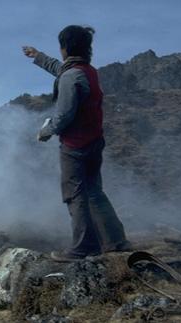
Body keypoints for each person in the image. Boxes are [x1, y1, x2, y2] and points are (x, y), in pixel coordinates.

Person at [23, 25, 131, 262]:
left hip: (76, 145)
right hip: (94, 140)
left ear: (65, 48)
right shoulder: (86, 71)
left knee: (75, 195)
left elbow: (64, 116)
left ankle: (84, 247)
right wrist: (37, 55)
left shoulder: (72, 77)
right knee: (94, 191)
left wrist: (46, 131)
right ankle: (116, 241)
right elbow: (60, 69)